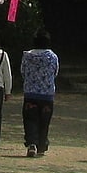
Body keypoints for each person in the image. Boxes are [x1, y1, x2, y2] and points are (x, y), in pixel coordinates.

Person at [19, 30, 59, 158]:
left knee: (30, 119)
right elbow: (55, 72)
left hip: (30, 93)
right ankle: (42, 144)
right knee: (44, 120)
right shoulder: (53, 56)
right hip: (47, 94)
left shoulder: (27, 56)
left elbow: (23, 72)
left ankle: (32, 143)